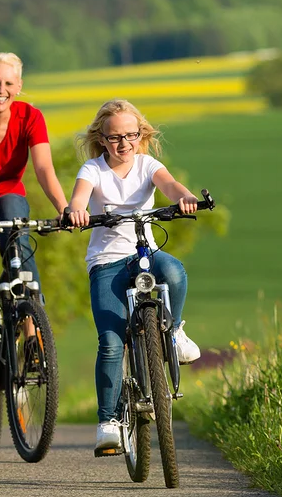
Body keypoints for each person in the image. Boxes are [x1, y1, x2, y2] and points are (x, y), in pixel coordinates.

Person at [64, 99, 202, 454]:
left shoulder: (147, 165)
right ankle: (108, 422)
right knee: (111, 343)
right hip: (107, 263)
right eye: (114, 137)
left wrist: (186, 197)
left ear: (141, 135)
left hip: (145, 253)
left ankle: (174, 331)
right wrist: (76, 211)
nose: (123, 143)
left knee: (173, 270)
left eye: (131, 135)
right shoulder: (93, 169)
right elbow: (79, 198)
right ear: (102, 139)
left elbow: (170, 185)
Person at [0, 52, 69, 332]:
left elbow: (44, 168)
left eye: (8, 83)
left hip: (7, 198)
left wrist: (63, 208)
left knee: (18, 243)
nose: (1, 90)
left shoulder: (30, 117)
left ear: (19, 86)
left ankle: (32, 328)